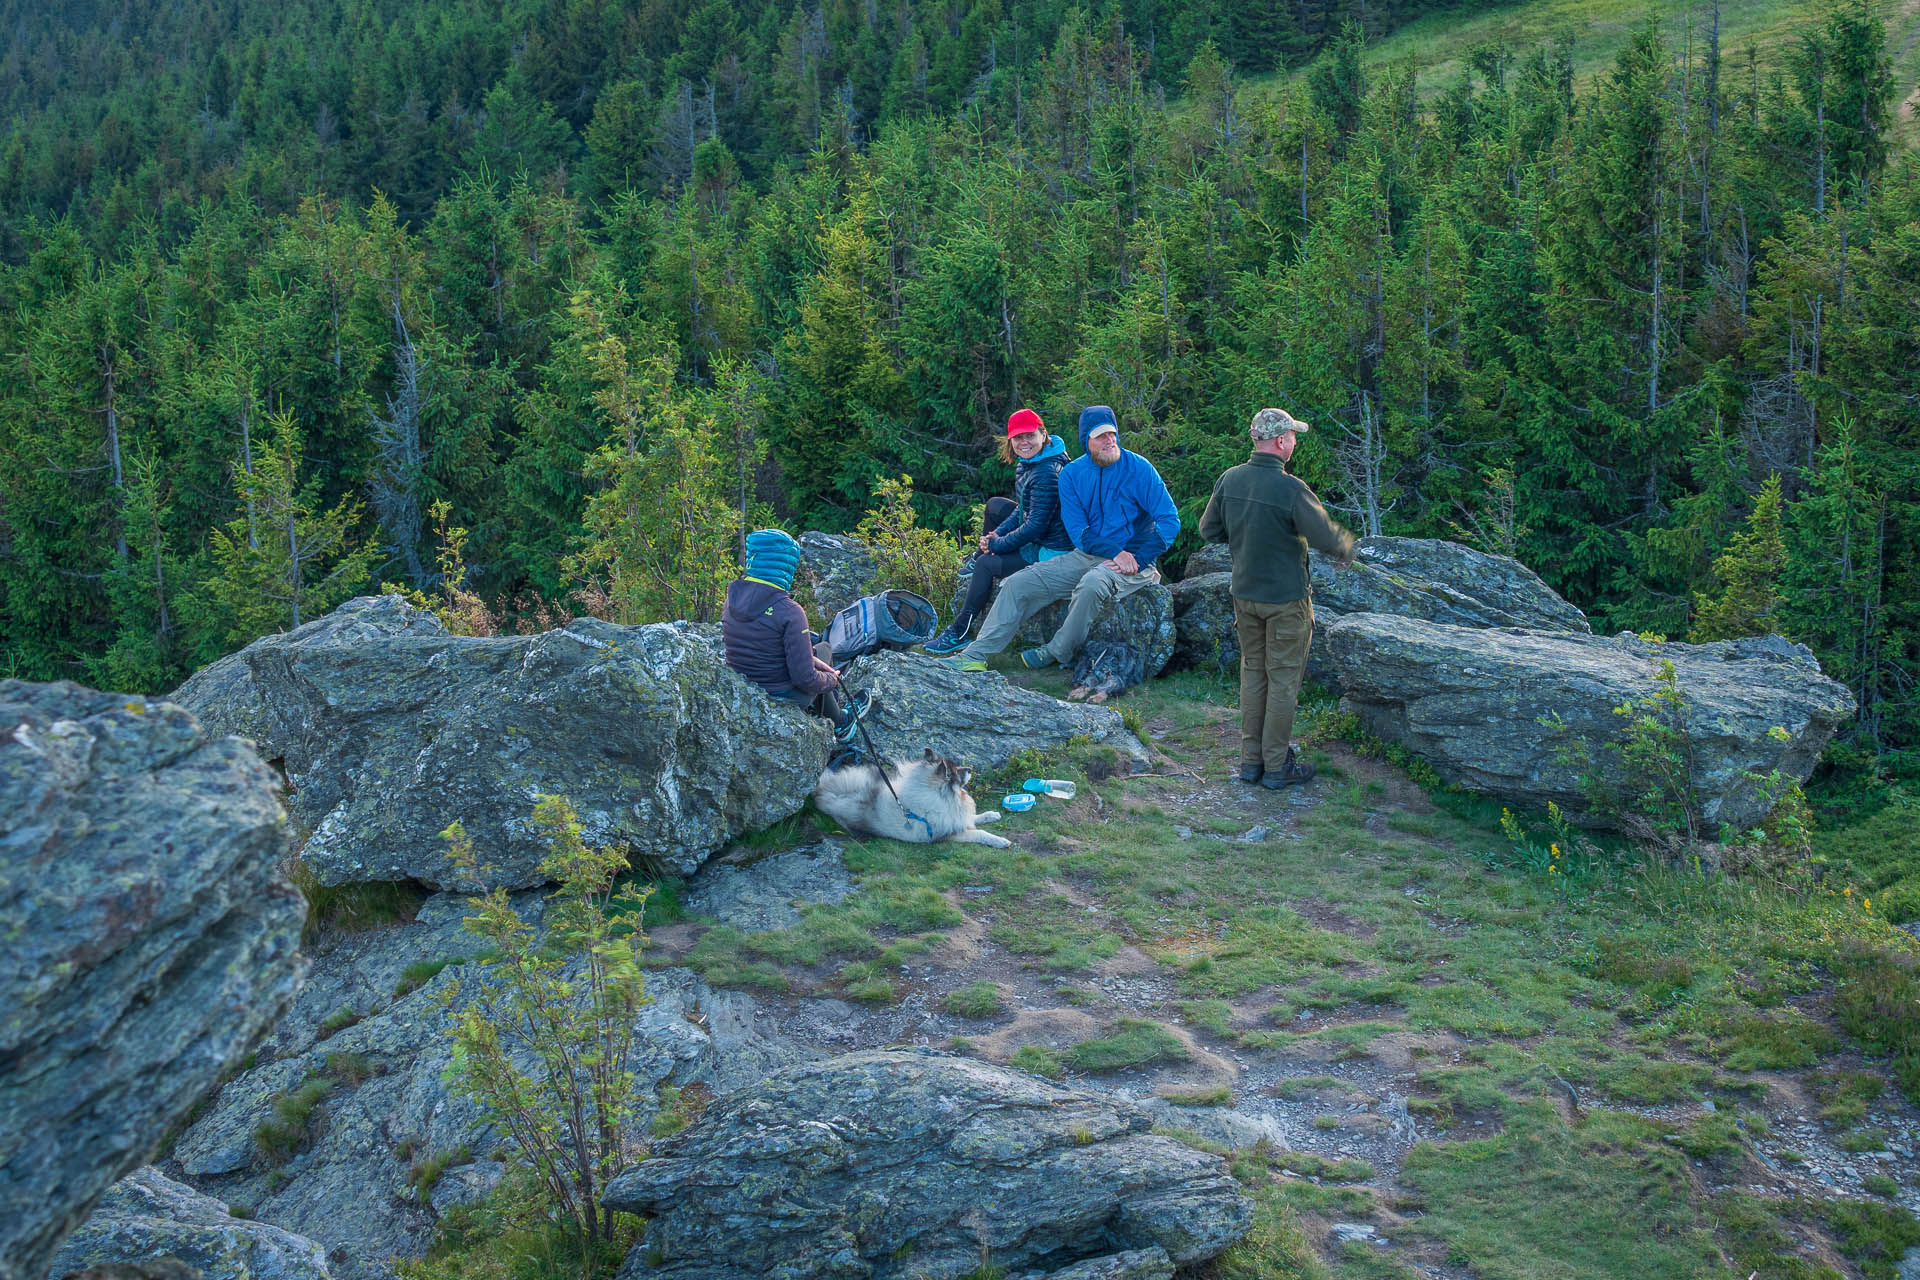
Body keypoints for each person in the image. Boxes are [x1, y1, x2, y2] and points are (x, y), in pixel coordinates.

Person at [944, 405, 1179, 673]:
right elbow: (1079, 532)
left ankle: (1057, 650)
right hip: (1088, 554)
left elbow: (1169, 520)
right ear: (1085, 440)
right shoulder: (1072, 475)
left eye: (1112, 434)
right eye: (1100, 436)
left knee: (1092, 583)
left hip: (1137, 560)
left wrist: (1138, 556)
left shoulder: (1139, 468)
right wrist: (1114, 551)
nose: (1109, 441)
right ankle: (975, 655)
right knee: (1017, 583)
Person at [1197, 407, 1357, 789]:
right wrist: (1349, 548)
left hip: (1245, 594)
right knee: (1283, 679)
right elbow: (1327, 538)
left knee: (1253, 674)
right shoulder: (1291, 488)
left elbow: (1208, 530)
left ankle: (1250, 763)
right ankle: (1276, 767)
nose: (1295, 442)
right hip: (1286, 600)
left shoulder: (1230, 479)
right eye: (1293, 436)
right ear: (1281, 441)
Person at [924, 408, 1073, 655]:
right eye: (1017, 437)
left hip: (1051, 548)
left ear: (1043, 434)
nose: (1024, 442)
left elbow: (1035, 526)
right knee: (995, 506)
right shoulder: (1032, 461)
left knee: (986, 565)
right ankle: (979, 557)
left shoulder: (1047, 473)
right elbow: (1023, 511)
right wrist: (995, 536)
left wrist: (996, 546)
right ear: (1010, 440)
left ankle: (960, 632)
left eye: (1030, 435)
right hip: (1041, 533)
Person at [722, 528, 871, 745]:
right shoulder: (790, 611)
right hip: (781, 693)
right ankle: (841, 722)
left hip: (744, 685)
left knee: (814, 653)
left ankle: (831, 711)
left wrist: (809, 659)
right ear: (787, 564)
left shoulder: (731, 599)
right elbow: (805, 679)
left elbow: (764, 644)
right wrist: (832, 680)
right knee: (825, 649)